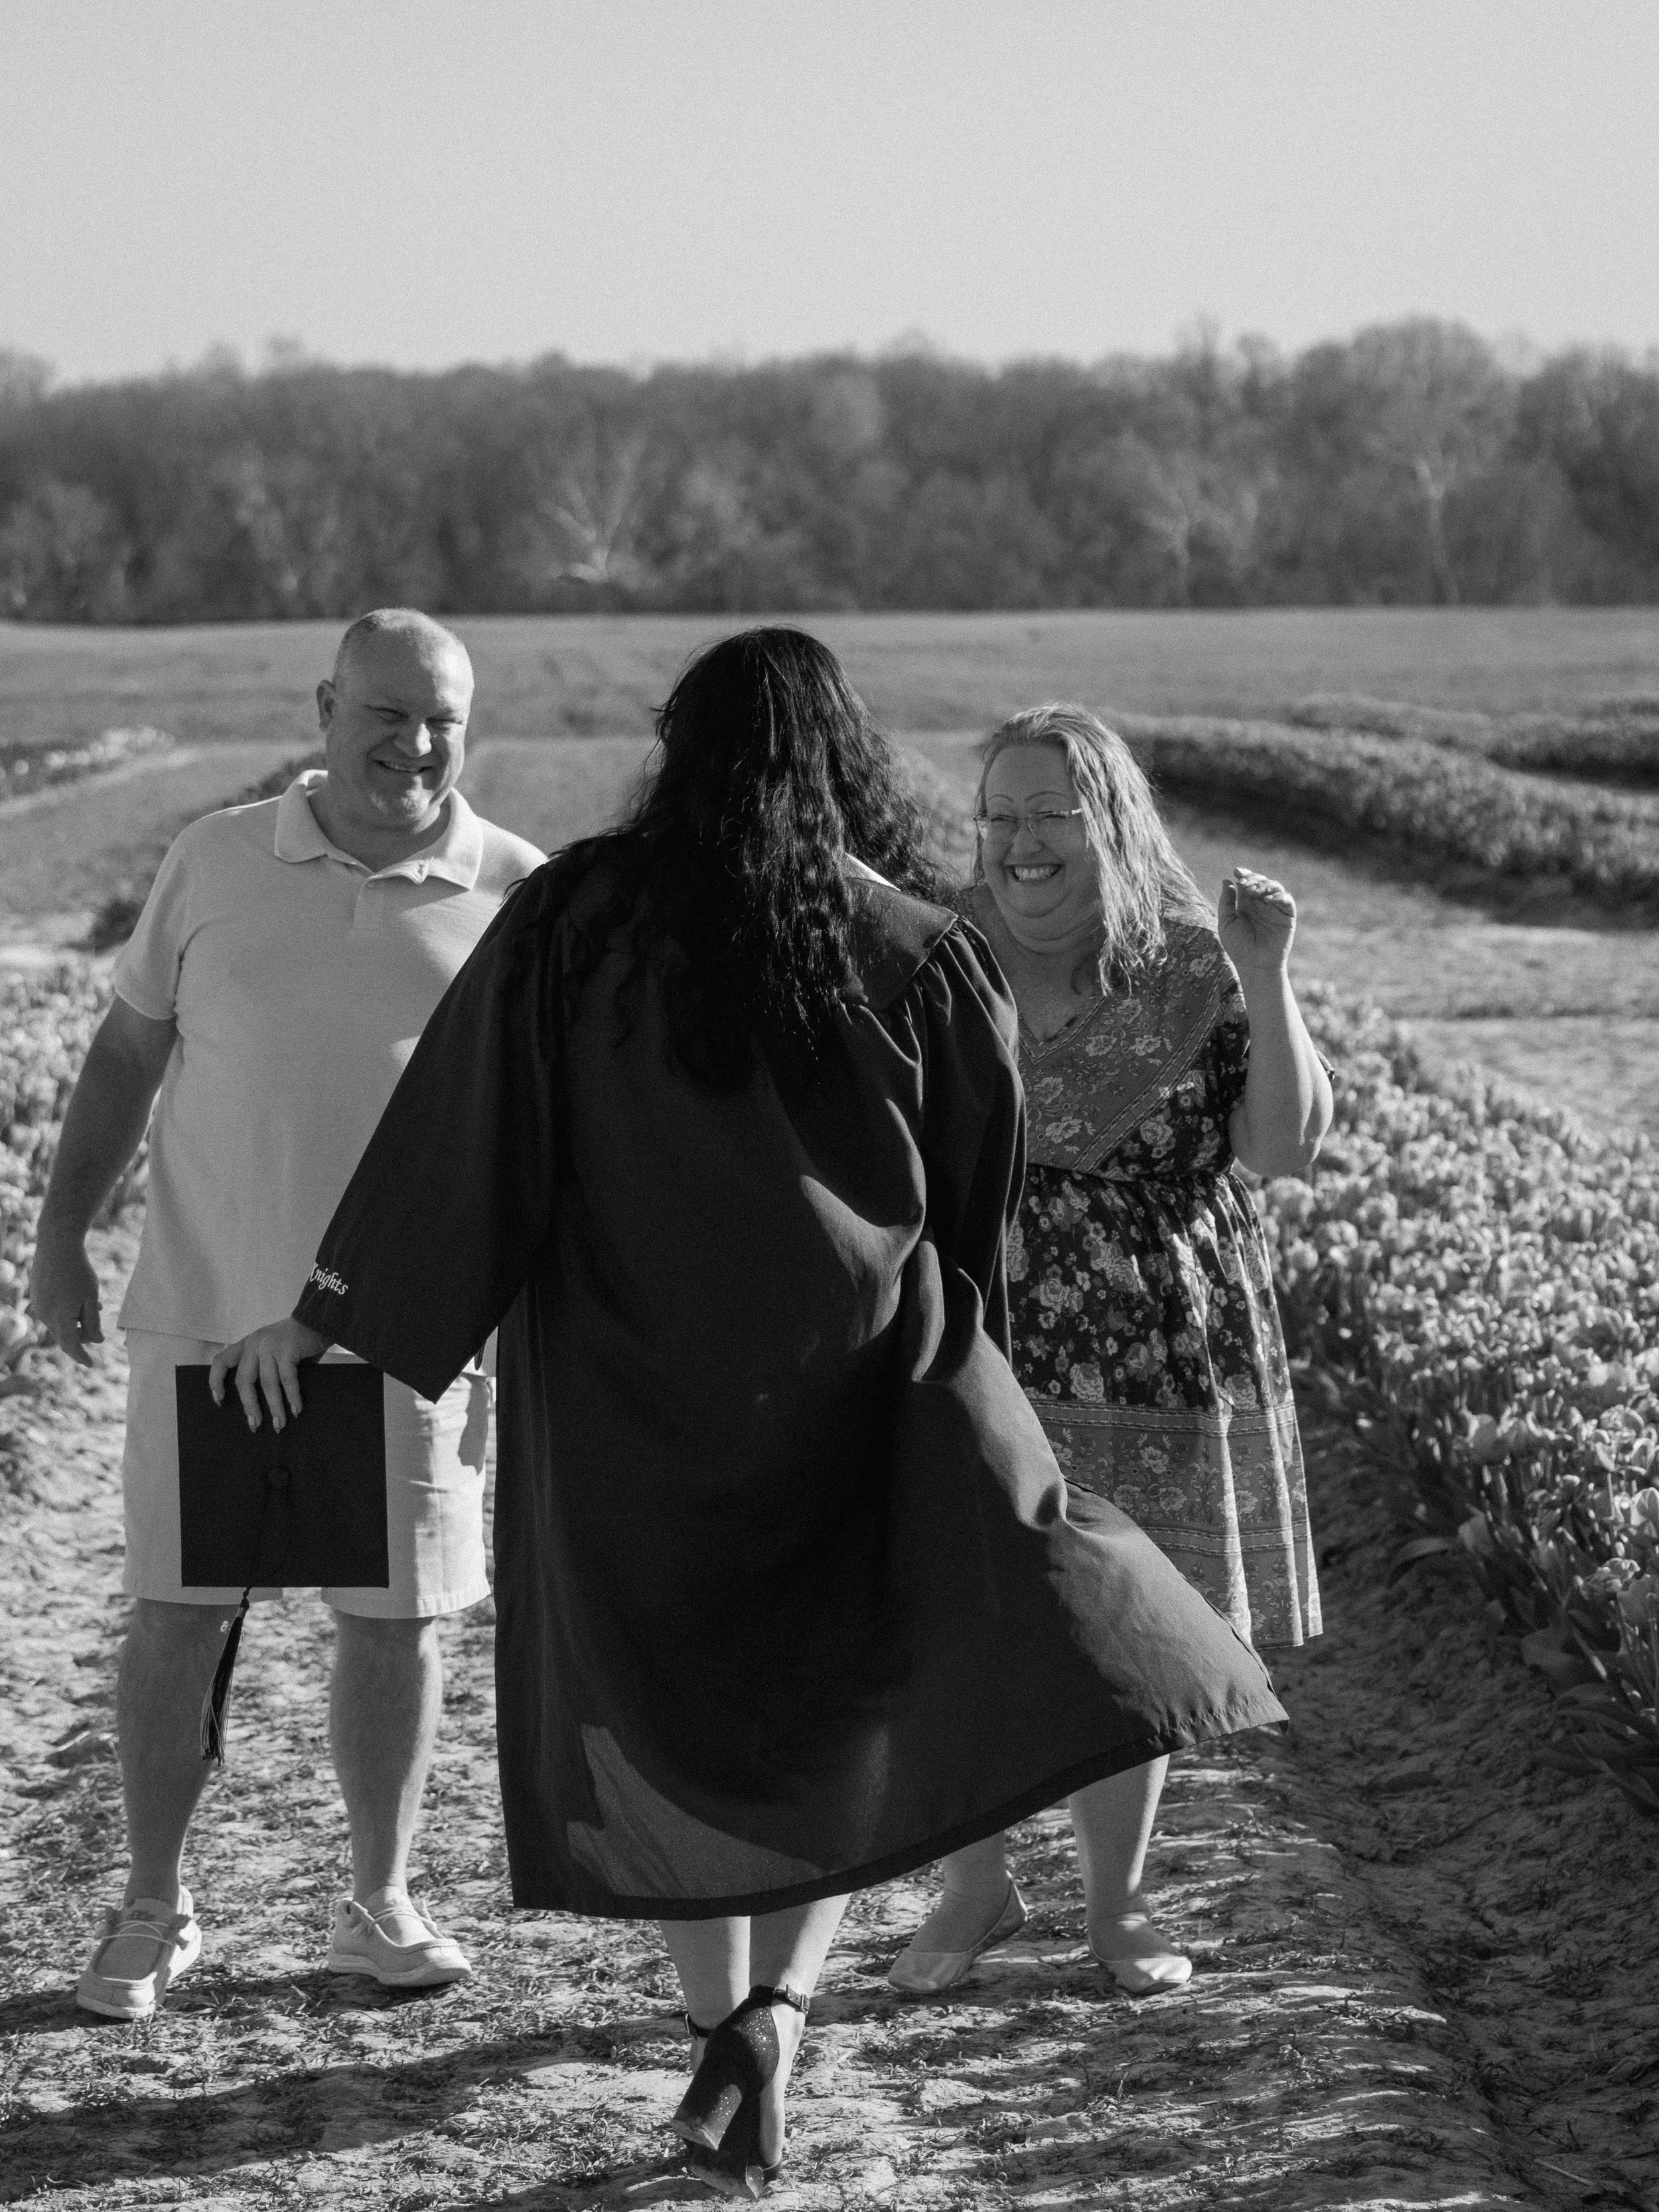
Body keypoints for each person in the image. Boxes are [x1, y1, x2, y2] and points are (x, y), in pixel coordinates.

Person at [214, 630, 1285, 2199]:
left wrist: (327, 1310)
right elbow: (973, 1199)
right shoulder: (915, 948)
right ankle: (782, 2001)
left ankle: (716, 2018)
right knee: (825, 1694)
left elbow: (464, 1135)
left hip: (625, 1390)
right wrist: (955, 1355)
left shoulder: (570, 917)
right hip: (845, 1379)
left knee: (661, 1703)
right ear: (840, 761)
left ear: (679, 749)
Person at [29, 608, 544, 2021]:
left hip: (406, 1337)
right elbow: (124, 1054)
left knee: (398, 1621)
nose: (416, 744)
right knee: (178, 1614)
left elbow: (536, 1131)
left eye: (442, 720)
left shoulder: (516, 888)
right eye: (387, 713)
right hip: (208, 1312)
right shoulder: (213, 858)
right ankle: (155, 1903)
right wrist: (62, 1235)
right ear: (326, 706)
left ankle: (379, 1899)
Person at [888, 702, 1331, 2004]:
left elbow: (1283, 1146)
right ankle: (974, 1883)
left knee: (1120, 1622)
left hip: (1153, 1344)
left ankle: (1115, 1902)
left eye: (1051, 814)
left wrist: (1267, 972)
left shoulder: (1193, 964)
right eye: (1000, 814)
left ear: (1114, 823)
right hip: (973, 1326)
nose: (1020, 841)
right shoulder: (939, 954)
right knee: (962, 1606)